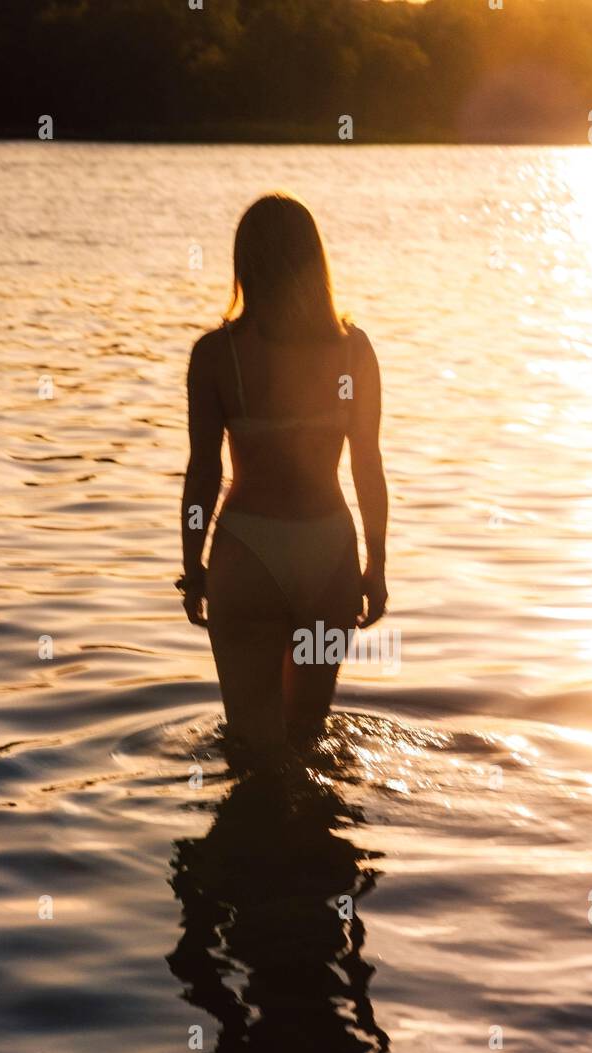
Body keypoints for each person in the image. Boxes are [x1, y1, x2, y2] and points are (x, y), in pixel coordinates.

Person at [179, 192, 388, 762]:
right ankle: (311, 845)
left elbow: (203, 474)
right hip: (329, 552)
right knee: (307, 746)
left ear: (243, 265)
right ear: (315, 261)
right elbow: (368, 467)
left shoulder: (216, 355)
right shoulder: (354, 351)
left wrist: (192, 568)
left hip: (247, 552)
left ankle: (249, 842)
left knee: (252, 752)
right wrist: (376, 566)